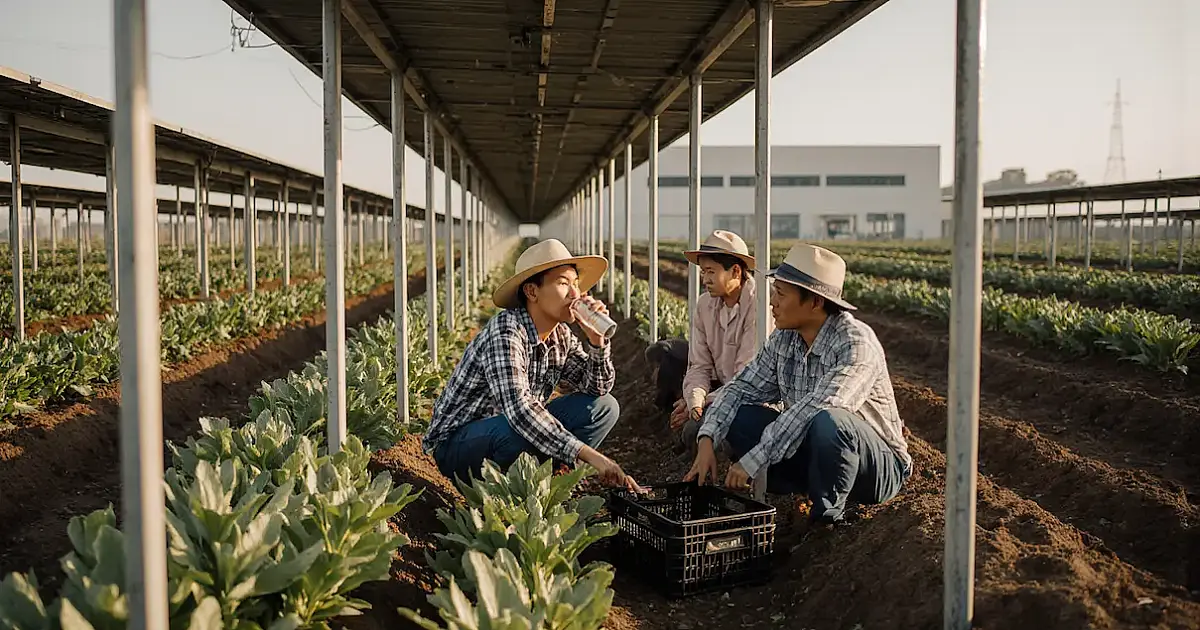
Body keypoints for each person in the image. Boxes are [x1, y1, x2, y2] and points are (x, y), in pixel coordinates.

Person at [684, 243, 912, 526]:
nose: (772, 303)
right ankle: (802, 487)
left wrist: (752, 460)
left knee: (830, 421)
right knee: (738, 415)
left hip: (875, 469)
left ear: (815, 302)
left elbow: (818, 408)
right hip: (815, 453)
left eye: (780, 294)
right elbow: (741, 387)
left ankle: (827, 519)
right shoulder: (785, 339)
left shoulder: (855, 345)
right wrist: (707, 439)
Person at [424, 238, 639, 489]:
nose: (574, 294)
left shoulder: (561, 335)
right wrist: (593, 458)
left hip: (510, 429)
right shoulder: (506, 332)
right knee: (516, 431)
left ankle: (551, 476)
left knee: (604, 407)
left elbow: (597, 388)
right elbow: (521, 411)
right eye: (563, 283)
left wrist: (597, 343)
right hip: (457, 445)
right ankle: (504, 489)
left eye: (576, 284)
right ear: (532, 291)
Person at [665, 230, 759, 456]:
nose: (704, 279)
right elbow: (699, 365)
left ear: (736, 271)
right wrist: (695, 401)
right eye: (703, 271)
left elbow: (746, 379)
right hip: (721, 391)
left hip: (752, 398)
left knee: (697, 432)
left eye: (711, 272)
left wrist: (703, 404)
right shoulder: (704, 305)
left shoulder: (759, 307)